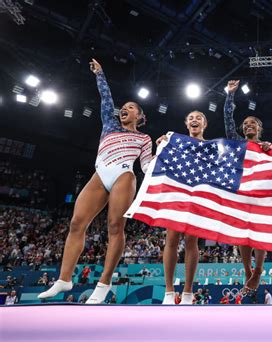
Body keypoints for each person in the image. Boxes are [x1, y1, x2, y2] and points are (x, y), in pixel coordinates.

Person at [38, 59, 152, 304]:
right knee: (77, 223)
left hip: (124, 175)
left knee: (114, 227)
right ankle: (64, 279)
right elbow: (106, 99)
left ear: (140, 116)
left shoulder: (144, 138)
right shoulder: (110, 124)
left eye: (131, 108)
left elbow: (145, 167)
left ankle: (104, 282)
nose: (125, 109)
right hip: (100, 174)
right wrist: (100, 74)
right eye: (124, 106)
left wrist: (162, 153)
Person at [223, 80, 272, 295]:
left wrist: (270, 151)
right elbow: (227, 119)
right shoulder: (236, 141)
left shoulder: (267, 146)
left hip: (261, 192)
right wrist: (230, 95)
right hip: (240, 190)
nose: (247, 125)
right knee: (243, 234)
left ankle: (259, 269)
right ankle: (247, 270)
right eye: (245, 123)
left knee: (260, 232)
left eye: (252, 122)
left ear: (260, 128)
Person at [156, 111, 208, 305]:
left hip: (197, 195)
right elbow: (160, 161)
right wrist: (162, 144)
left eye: (199, 118)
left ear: (205, 124)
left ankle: (188, 292)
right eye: (191, 118)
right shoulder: (175, 142)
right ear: (186, 124)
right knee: (171, 239)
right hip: (177, 193)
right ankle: (169, 292)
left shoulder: (211, 146)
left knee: (191, 242)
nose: (195, 120)